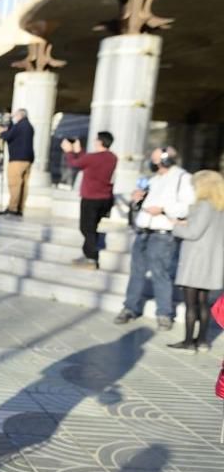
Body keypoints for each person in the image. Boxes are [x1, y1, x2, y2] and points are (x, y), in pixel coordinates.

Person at [115, 146, 195, 330]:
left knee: (161, 273)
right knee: (136, 272)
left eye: (156, 159)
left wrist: (164, 209)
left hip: (162, 233)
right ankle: (130, 307)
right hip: (143, 230)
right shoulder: (153, 179)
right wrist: (138, 199)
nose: (153, 162)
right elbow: (143, 203)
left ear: (167, 160)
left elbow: (188, 207)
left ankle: (164, 313)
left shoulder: (183, 178)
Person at [168, 170, 224, 352]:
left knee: (191, 303)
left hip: (196, 261)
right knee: (203, 303)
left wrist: (175, 226)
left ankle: (188, 341)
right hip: (211, 261)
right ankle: (202, 340)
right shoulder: (219, 206)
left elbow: (194, 233)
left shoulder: (204, 205)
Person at [62, 131, 118, 270]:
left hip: (91, 198)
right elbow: (87, 162)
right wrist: (79, 151)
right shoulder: (112, 157)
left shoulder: (93, 158)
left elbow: (75, 164)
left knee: (87, 228)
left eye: (96, 140)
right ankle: (88, 254)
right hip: (105, 198)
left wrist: (69, 151)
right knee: (91, 227)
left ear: (99, 142)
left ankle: (91, 258)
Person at [0, 108, 35, 216]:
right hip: (28, 159)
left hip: (17, 159)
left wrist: (2, 133)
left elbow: (8, 136)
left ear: (20, 115)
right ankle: (20, 208)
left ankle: (12, 208)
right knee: (24, 184)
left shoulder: (19, 126)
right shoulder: (29, 126)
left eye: (16, 115)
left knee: (14, 183)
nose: (14, 117)